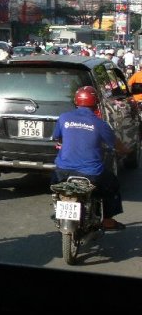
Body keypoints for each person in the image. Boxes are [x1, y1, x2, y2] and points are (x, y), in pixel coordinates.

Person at [52, 85, 129, 231]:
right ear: (96, 103)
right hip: (91, 174)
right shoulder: (100, 124)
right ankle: (107, 220)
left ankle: (57, 208)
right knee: (112, 185)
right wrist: (126, 150)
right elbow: (115, 144)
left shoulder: (63, 118)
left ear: (75, 101)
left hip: (62, 172)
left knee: (56, 187)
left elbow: (57, 137)